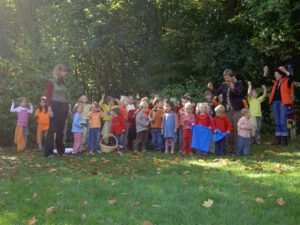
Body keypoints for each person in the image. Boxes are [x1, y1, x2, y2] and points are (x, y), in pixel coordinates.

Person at [208, 69, 244, 152]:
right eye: (225, 78)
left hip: (236, 109)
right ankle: (230, 147)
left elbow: (239, 93)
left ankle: (238, 148)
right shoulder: (224, 85)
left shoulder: (238, 83)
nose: (226, 80)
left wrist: (233, 88)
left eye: (227, 78)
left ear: (232, 76)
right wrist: (212, 88)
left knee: (236, 129)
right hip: (227, 110)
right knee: (229, 129)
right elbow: (217, 92)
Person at [45, 64, 69, 158]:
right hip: (54, 106)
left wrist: (68, 107)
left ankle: (60, 151)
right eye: (63, 71)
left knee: (60, 130)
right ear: (58, 71)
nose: (65, 73)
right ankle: (49, 152)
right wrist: (49, 108)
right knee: (52, 129)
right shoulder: (51, 82)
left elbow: (66, 97)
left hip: (64, 107)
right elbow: (48, 96)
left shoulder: (64, 83)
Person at [267, 66, 294, 145]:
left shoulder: (287, 81)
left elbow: (292, 78)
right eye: (275, 74)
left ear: (281, 75)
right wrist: (265, 72)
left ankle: (285, 141)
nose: (275, 76)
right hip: (275, 103)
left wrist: (285, 70)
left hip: (283, 103)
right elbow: (265, 82)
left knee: (282, 122)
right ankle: (278, 140)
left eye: (276, 74)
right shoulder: (275, 82)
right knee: (277, 122)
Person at [247, 79, 267, 144]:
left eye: (256, 92)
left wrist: (264, 88)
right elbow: (248, 93)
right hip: (252, 116)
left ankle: (257, 140)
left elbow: (264, 95)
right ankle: (251, 140)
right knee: (252, 128)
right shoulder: (250, 99)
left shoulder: (258, 99)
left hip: (259, 116)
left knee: (258, 129)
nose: (256, 93)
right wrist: (250, 86)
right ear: (252, 94)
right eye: (254, 92)